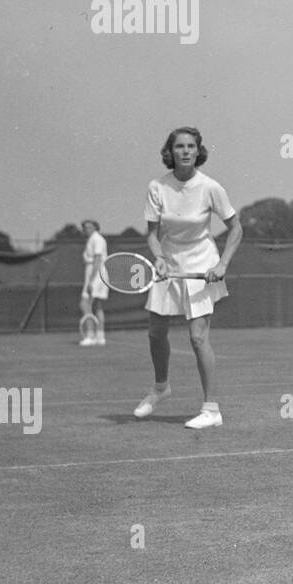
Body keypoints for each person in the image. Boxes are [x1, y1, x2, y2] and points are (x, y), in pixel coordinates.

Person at [133, 127, 242, 429]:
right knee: (156, 333)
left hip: (202, 260)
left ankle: (211, 409)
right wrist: (159, 258)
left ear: (198, 151)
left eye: (191, 146)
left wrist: (222, 264)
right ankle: (160, 388)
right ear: (170, 151)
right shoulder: (157, 186)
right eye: (179, 146)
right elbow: (152, 235)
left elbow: (236, 228)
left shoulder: (210, 187)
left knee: (197, 336)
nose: (185, 151)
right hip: (169, 261)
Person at [79, 219, 108, 345]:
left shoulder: (97, 239)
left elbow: (97, 259)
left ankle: (90, 336)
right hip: (96, 273)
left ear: (95, 227)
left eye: (88, 227)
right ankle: (100, 336)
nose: (85, 229)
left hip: (96, 274)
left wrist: (91, 281)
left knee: (85, 304)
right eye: (84, 227)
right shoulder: (92, 239)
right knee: (97, 306)